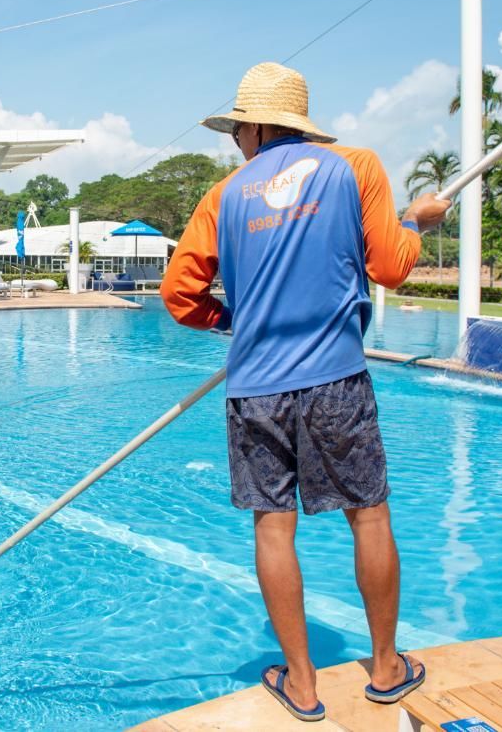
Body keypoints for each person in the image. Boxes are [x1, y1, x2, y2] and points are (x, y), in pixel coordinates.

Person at [160, 62, 450, 722]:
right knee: (368, 517)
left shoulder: (222, 195)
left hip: (255, 388)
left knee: (272, 528)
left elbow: (179, 295)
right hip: (335, 381)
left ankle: (301, 683)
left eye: (238, 129)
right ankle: (385, 667)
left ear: (260, 127)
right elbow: (389, 267)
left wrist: (233, 318)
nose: (236, 140)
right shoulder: (355, 167)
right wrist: (415, 221)